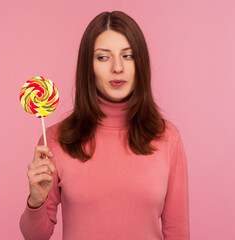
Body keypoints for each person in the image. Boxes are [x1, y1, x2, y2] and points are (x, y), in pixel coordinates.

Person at [20, 11, 190, 240]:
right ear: (88, 66)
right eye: (103, 57)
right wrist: (36, 201)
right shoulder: (56, 140)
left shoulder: (168, 139)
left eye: (128, 56)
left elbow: (178, 233)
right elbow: (35, 236)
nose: (117, 67)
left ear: (140, 63)